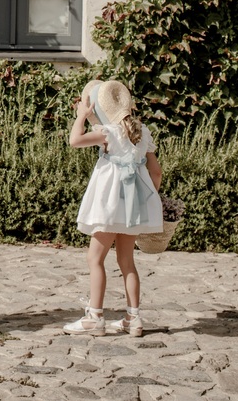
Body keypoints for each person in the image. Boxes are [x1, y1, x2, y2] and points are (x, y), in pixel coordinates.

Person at [65, 79, 162, 336]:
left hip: (109, 206)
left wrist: (81, 116)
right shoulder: (142, 133)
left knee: (95, 258)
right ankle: (133, 318)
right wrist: (148, 198)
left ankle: (94, 316)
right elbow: (156, 172)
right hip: (133, 208)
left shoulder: (108, 132)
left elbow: (74, 140)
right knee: (127, 261)